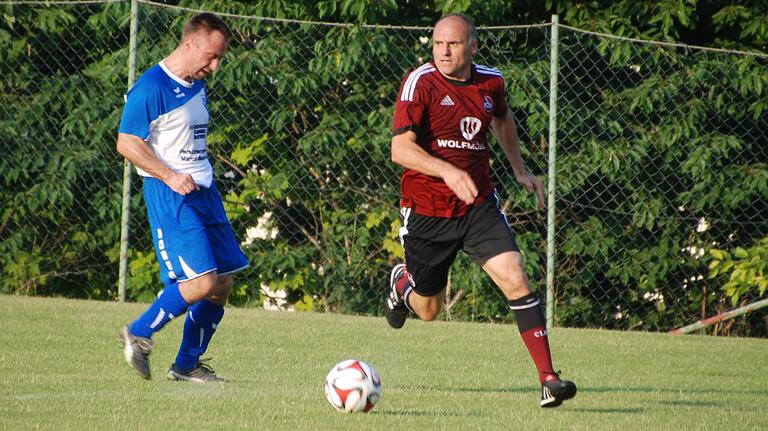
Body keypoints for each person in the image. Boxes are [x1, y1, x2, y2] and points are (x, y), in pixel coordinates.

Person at [384, 13, 577, 407]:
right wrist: (446, 171)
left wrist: (520, 170)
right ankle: (403, 285)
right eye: (438, 43)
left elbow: (502, 119)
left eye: (453, 44)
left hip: (477, 206)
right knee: (429, 309)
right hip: (427, 210)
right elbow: (400, 149)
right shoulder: (420, 82)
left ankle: (548, 379)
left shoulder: (492, 82)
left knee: (516, 278)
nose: (443, 51)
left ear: (473, 45)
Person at [116, 13, 248, 383]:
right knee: (202, 282)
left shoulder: (194, 83)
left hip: (204, 192)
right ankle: (139, 332)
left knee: (222, 284)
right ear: (189, 43)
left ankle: (187, 363)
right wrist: (170, 175)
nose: (215, 65)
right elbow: (127, 142)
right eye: (211, 56)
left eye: (220, 58)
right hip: (171, 193)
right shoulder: (152, 86)